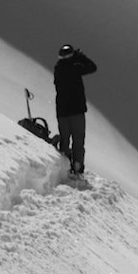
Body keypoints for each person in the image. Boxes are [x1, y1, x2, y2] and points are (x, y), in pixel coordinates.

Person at [53, 44, 97, 177]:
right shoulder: (75, 67)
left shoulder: (58, 68)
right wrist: (80, 57)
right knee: (78, 140)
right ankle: (77, 167)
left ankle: (65, 167)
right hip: (77, 110)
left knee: (65, 140)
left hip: (62, 111)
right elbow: (92, 67)